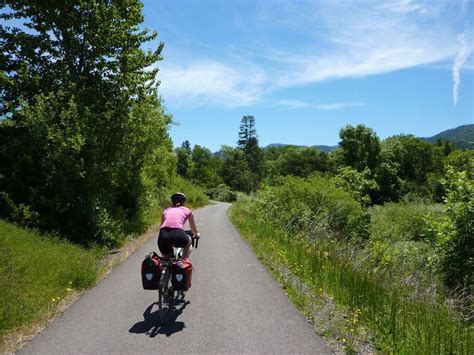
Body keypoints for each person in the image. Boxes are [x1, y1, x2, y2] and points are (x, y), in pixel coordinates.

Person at [158, 192, 200, 258]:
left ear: (172, 202)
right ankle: (184, 260)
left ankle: (166, 265)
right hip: (179, 235)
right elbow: (193, 228)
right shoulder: (187, 210)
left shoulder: (166, 211)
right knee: (189, 243)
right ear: (184, 202)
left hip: (163, 235)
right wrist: (197, 234)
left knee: (167, 261)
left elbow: (161, 226)